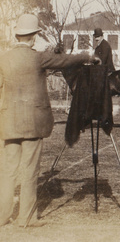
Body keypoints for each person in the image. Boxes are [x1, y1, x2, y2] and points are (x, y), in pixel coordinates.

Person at [0, 14, 98, 228]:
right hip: (33, 124)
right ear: (33, 37)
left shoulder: (3, 59)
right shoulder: (39, 58)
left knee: (7, 171)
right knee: (29, 171)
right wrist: (88, 56)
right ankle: (26, 218)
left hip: (8, 123)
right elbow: (65, 60)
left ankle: (2, 216)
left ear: (17, 35)